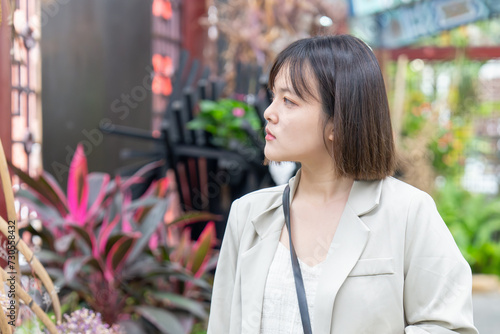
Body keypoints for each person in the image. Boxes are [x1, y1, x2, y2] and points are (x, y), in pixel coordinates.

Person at [207, 34, 477, 334]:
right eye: (272, 96)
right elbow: (222, 324)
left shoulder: (409, 212)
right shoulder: (247, 214)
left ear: (338, 121)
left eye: (288, 101)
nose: (269, 112)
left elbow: (448, 326)